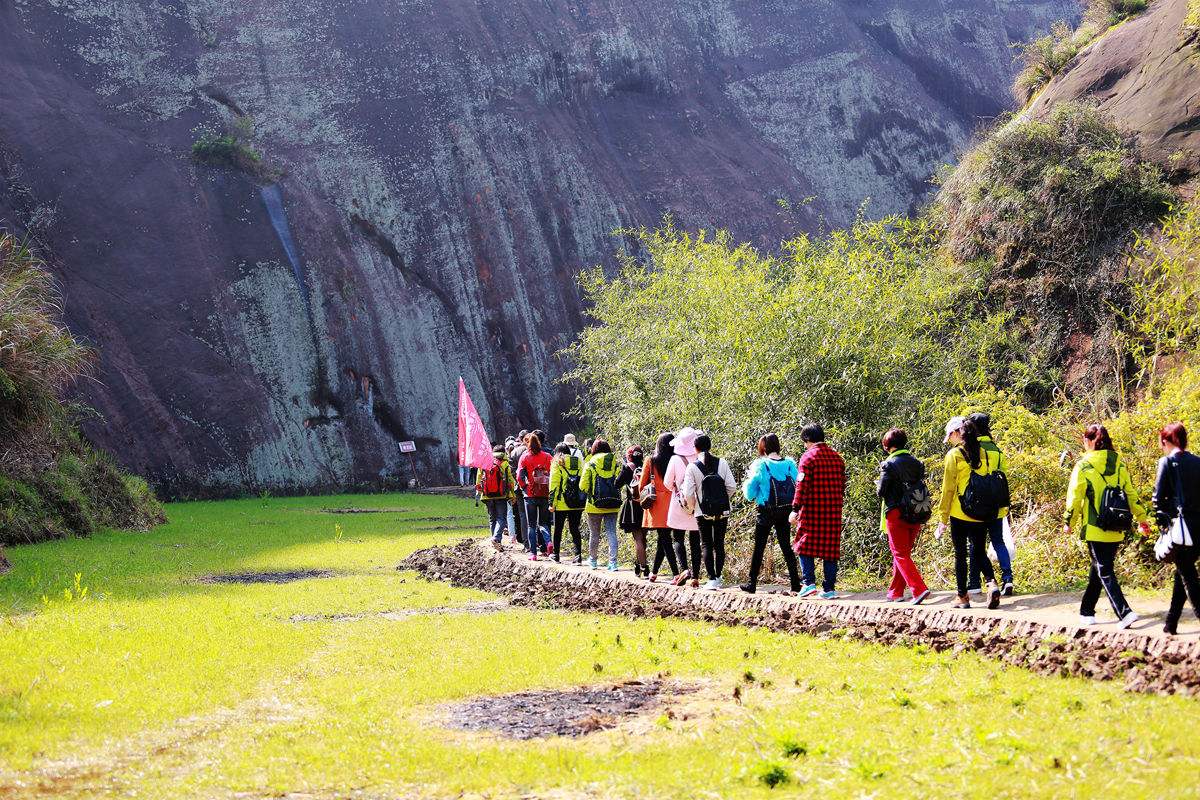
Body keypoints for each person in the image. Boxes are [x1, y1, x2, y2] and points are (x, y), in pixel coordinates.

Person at [1063, 423, 1152, 628]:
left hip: (1096, 527)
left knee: (1104, 569)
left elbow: (1075, 497)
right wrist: (1141, 518)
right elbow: (1130, 493)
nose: (1084, 443)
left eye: (1085, 439)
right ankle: (1087, 611)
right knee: (1099, 566)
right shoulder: (1119, 463)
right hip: (1117, 525)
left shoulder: (1083, 465)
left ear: (1092, 441)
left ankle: (1125, 613)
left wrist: (1069, 521)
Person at [935, 417, 1002, 610]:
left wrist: (943, 517)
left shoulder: (954, 455)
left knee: (960, 555)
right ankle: (991, 583)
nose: (949, 440)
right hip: (982, 512)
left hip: (960, 512)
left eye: (950, 436)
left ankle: (962, 597)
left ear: (958, 433)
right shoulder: (985, 453)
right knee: (979, 550)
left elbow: (948, 489)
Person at [740, 433, 802, 595]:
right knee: (786, 546)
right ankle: (795, 583)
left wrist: (747, 484)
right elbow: (797, 484)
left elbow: (750, 492)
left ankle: (752, 582)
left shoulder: (761, 465)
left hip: (766, 510)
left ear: (764, 448)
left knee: (759, 546)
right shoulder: (789, 464)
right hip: (786, 509)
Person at [790, 423, 846, 599]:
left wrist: (795, 508)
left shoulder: (808, 458)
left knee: (803, 544)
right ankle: (829, 589)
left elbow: (801, 486)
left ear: (807, 440)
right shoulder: (837, 458)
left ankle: (809, 583)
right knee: (830, 549)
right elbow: (842, 485)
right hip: (833, 511)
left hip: (812, 510)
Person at [1154, 423, 1200, 635]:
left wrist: (1165, 522)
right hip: (1199, 526)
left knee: (1188, 576)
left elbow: (1158, 500)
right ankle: (1170, 623)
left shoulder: (1167, 462)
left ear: (1165, 441)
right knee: (1183, 572)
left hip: (1182, 530)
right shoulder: (1197, 462)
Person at [876, 428, 930, 605]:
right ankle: (895, 592)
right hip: (916, 510)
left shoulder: (888, 464)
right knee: (903, 553)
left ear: (887, 446)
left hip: (896, 512)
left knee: (899, 553)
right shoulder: (917, 462)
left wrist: (878, 483)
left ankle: (919, 589)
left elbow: (881, 491)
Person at [966, 412, 1015, 597]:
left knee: (976, 544)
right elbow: (1003, 473)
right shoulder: (996, 449)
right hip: (997, 503)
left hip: (978, 505)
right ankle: (1008, 578)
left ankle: (981, 582)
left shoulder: (972, 448)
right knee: (998, 541)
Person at [680, 434, 736, 590]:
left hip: (701, 511)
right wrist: (722, 499)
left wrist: (692, 508)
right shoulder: (722, 462)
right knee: (719, 543)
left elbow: (689, 493)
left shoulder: (692, 467)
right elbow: (731, 486)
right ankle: (718, 576)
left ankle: (711, 579)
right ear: (710, 446)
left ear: (695, 448)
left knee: (706, 544)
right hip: (723, 510)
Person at [664, 426, 703, 588]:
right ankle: (695, 575)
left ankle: (684, 569)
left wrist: (676, 487)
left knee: (678, 537)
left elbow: (667, 482)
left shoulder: (675, 459)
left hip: (679, 503)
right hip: (697, 504)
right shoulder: (701, 458)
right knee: (695, 540)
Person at [639, 432, 681, 582]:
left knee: (664, 540)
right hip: (674, 503)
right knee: (663, 540)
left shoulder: (651, 461)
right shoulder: (676, 460)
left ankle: (676, 574)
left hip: (657, 504)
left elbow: (642, 485)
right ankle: (654, 572)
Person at [581, 439, 623, 570]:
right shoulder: (615, 463)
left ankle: (593, 561)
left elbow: (582, 485)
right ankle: (613, 563)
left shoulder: (590, 463)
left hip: (594, 505)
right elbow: (619, 483)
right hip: (613, 503)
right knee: (611, 532)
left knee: (594, 534)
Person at [517, 433, 553, 560]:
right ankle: (548, 541)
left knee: (531, 525)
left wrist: (524, 488)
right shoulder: (548, 456)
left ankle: (533, 554)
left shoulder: (525, 457)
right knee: (543, 522)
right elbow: (552, 474)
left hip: (530, 495)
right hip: (544, 493)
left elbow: (519, 476)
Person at [549, 443, 586, 564]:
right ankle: (578, 556)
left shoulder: (557, 462)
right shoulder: (579, 462)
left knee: (558, 529)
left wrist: (551, 503)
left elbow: (554, 484)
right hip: (577, 502)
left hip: (561, 502)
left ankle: (556, 555)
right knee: (575, 528)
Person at [475, 443, 516, 549]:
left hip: (487, 495)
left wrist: (481, 492)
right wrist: (512, 495)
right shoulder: (505, 464)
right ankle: (496, 539)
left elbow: (479, 480)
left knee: (492, 519)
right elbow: (510, 481)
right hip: (501, 495)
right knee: (501, 518)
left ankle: (495, 540)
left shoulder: (484, 462)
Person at [618, 446, 649, 577]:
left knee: (638, 538)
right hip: (646, 504)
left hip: (632, 506)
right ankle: (638, 564)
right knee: (643, 537)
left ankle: (644, 566)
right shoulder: (647, 466)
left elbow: (616, 483)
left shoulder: (627, 468)